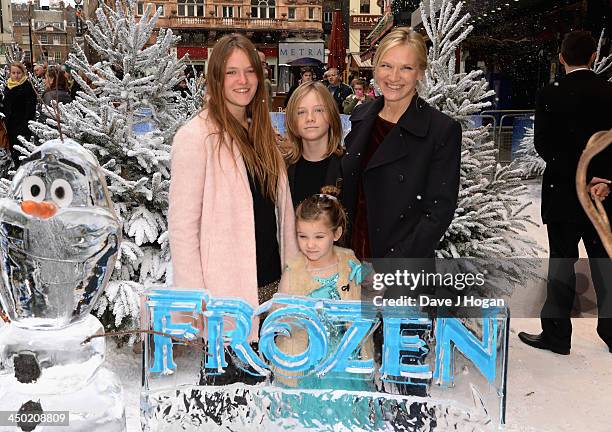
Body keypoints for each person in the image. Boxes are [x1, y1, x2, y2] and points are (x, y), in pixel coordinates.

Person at [168, 33, 298, 328]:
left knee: (270, 373)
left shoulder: (262, 134)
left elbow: (278, 215)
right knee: (232, 374)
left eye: (250, 70)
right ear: (216, 78)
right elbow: (183, 227)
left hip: (272, 288)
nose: (243, 80)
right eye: (232, 72)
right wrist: (194, 298)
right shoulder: (195, 137)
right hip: (224, 299)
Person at [518, 30, 612, 355]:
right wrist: (602, 177)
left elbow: (542, 144)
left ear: (561, 58)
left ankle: (557, 335)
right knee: (605, 261)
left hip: (562, 192)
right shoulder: (609, 92)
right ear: (593, 58)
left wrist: (573, 173)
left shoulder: (549, 93)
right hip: (602, 194)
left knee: (562, 262)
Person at [341, 27, 462, 261]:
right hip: (352, 261)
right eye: (386, 65)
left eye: (406, 68)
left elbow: (437, 213)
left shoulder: (440, 130)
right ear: (375, 68)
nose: (394, 77)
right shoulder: (361, 116)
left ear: (420, 73)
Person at [284, 80, 343, 208]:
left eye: (318, 110)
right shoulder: (283, 169)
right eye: (301, 112)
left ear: (331, 114)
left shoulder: (347, 168)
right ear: (292, 120)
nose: (310, 118)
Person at [1, 63, 37, 168]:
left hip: (22, 127)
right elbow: (6, 105)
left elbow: (31, 108)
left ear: (23, 73)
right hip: (9, 127)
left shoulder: (27, 87)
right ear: (10, 74)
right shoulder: (8, 86)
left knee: (20, 154)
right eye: (13, 73)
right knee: (13, 152)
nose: (16, 75)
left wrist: (25, 125)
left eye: (18, 73)